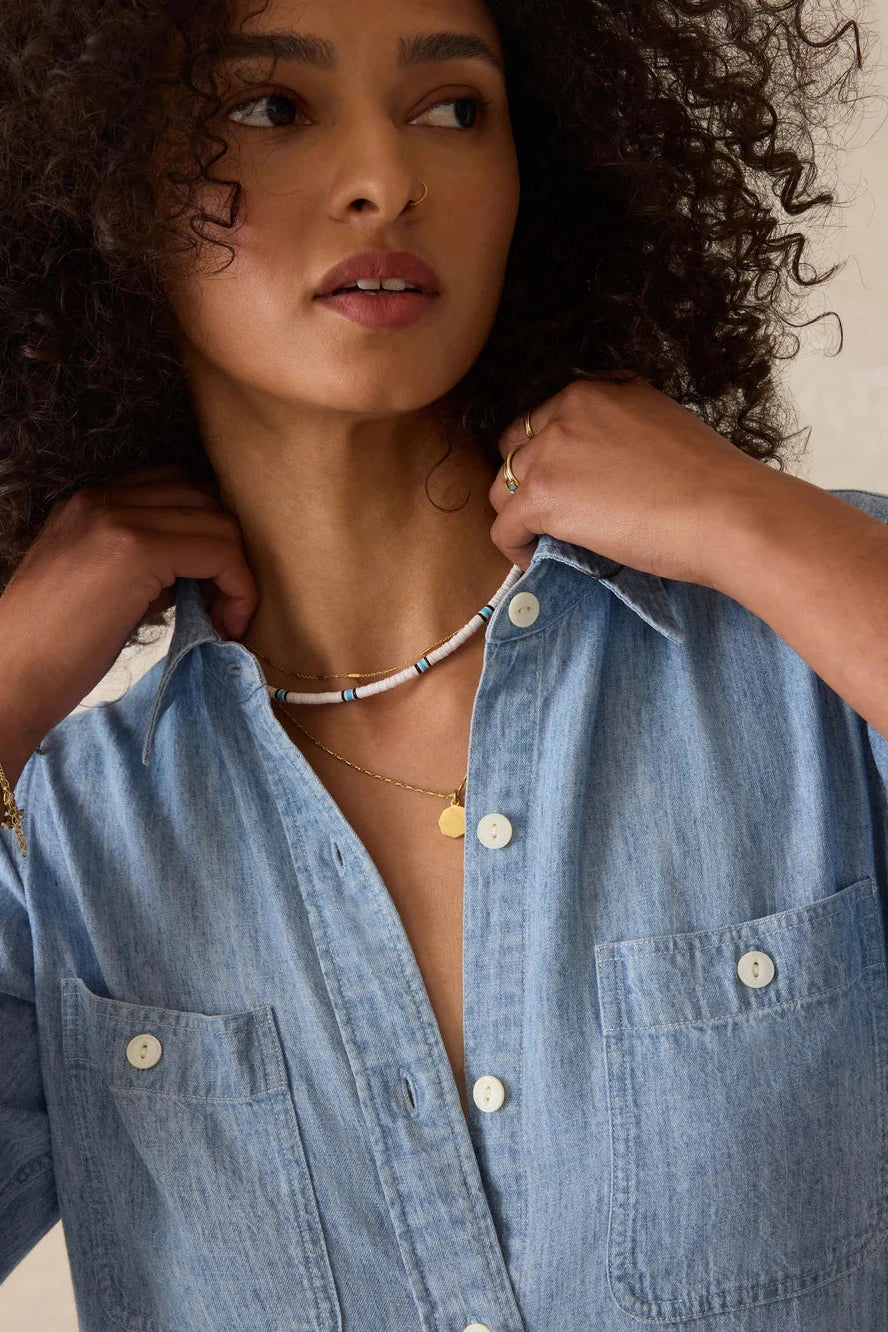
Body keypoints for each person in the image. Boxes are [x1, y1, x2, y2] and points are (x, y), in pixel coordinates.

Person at [0, 0, 885, 1327]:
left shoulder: (804, 636)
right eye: (272, 107)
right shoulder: (61, 846)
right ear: (104, 182)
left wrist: (750, 518)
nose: (386, 179)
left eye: (455, 110)